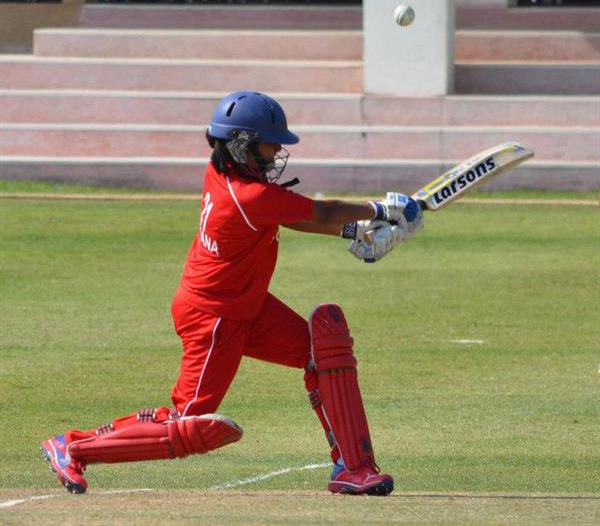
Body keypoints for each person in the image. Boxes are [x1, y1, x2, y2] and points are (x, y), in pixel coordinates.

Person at [41, 90, 423, 496]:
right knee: (188, 423)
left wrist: (354, 231)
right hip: (214, 316)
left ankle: (352, 468)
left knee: (322, 351)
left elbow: (287, 214)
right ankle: (73, 447)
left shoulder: (223, 172)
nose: (277, 152)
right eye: (269, 144)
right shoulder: (248, 196)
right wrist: (381, 209)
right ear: (241, 145)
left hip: (246, 303)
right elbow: (318, 211)